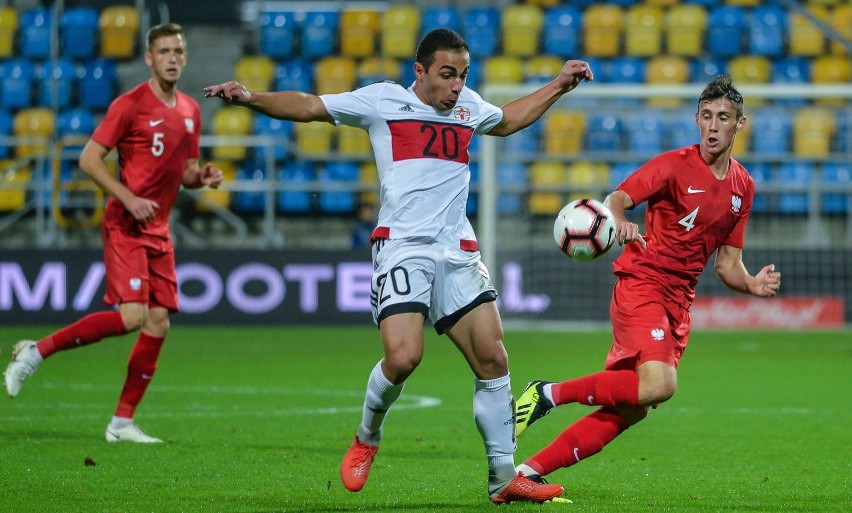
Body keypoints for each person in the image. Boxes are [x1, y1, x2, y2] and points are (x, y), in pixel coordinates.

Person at [203, 28, 592, 504]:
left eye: (463, 76)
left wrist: (557, 85)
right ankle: (367, 436)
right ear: (421, 71)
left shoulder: (468, 106)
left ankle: (502, 476)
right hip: (403, 246)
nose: (455, 86)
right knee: (405, 356)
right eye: (447, 75)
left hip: (457, 249)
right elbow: (309, 106)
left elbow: (508, 120)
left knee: (493, 359)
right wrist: (251, 98)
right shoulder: (382, 102)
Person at [513, 75, 782, 483]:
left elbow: (728, 264)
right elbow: (617, 199)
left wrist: (753, 284)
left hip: (678, 303)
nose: (713, 126)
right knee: (659, 384)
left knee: (631, 407)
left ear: (739, 124)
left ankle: (526, 474)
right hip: (643, 285)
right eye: (706, 116)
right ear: (696, 119)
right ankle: (547, 394)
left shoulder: (743, 187)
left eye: (722, 118)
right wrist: (618, 220)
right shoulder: (674, 165)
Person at [3, 23, 223, 443]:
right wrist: (127, 197)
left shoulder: (191, 111)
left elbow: (187, 171)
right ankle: (36, 352)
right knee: (132, 317)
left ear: (186, 57)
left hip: (159, 229)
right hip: (125, 224)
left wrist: (202, 176)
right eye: (164, 51)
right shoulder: (130, 105)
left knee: (158, 323)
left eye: (178, 51)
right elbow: (89, 159)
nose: (172, 58)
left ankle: (121, 423)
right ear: (149, 58)